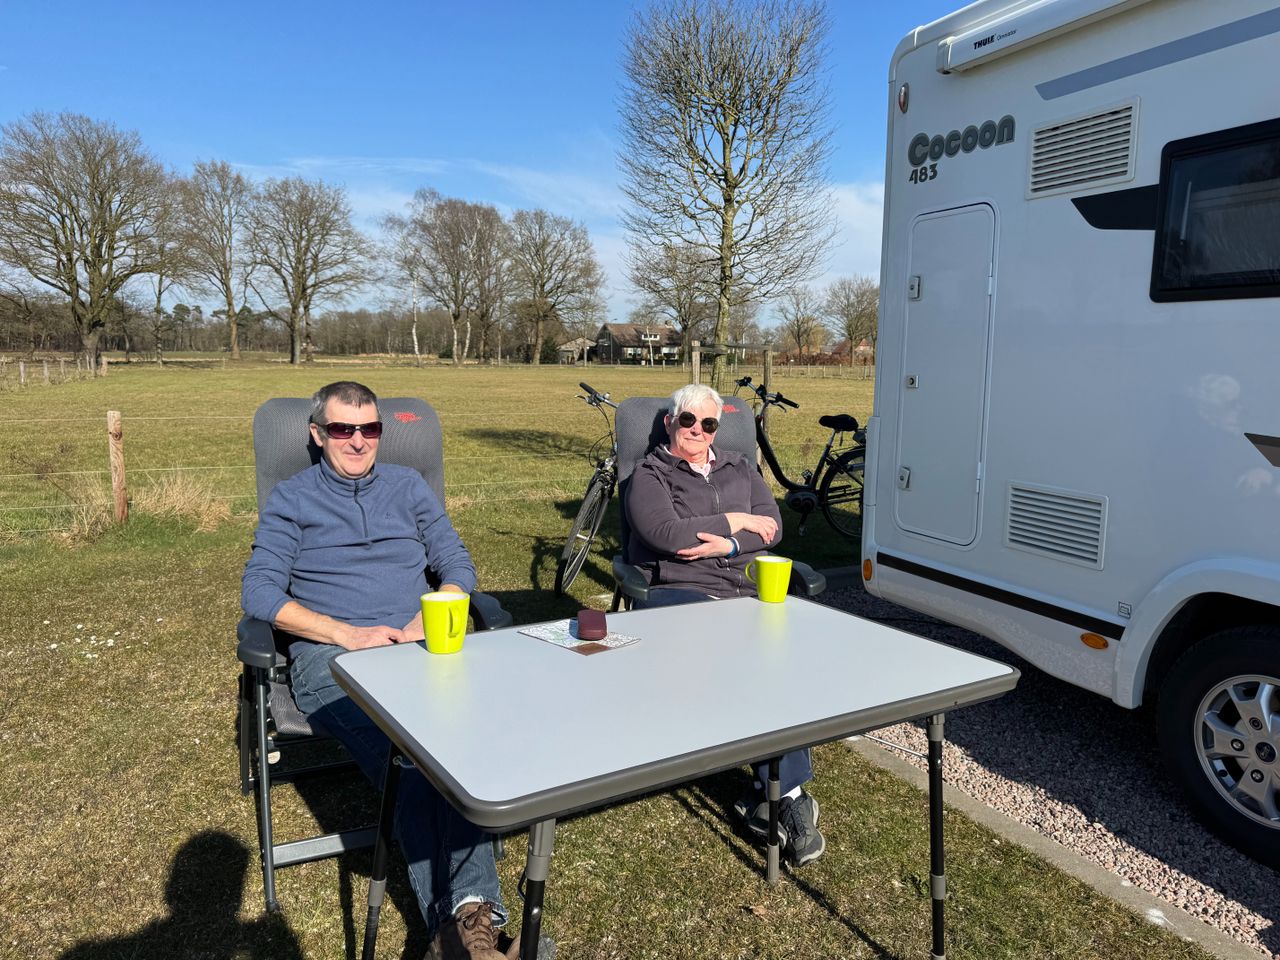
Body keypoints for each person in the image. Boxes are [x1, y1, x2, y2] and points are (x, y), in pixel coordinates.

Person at [241, 381, 541, 960]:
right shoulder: (292, 499)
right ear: (317, 433)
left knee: (455, 756)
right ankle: (470, 928)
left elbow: (455, 562)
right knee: (416, 764)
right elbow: (259, 591)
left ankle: (460, 933)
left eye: (370, 428)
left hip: (416, 642)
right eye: (343, 430)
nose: (358, 441)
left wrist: (433, 614)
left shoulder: (408, 487)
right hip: (336, 657)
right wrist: (345, 634)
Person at [624, 383, 826, 867]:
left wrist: (729, 547)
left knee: (781, 659)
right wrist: (736, 520)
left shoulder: (742, 467)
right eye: (688, 421)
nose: (697, 430)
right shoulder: (648, 474)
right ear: (671, 422)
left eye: (708, 423)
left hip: (743, 585)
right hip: (680, 589)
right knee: (751, 667)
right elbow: (666, 535)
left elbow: (772, 526)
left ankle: (777, 800)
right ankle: (789, 800)